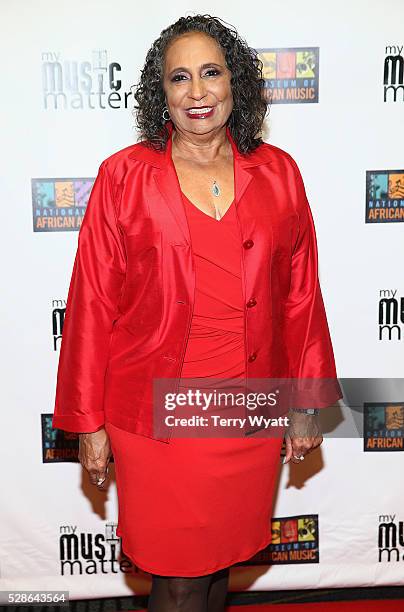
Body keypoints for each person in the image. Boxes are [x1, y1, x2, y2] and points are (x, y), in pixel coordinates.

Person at [52, 14, 342, 612]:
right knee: (179, 577)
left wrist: (307, 404)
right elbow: (91, 302)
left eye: (210, 73)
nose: (197, 91)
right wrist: (88, 420)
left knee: (216, 570)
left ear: (236, 82)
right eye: (179, 78)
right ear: (161, 95)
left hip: (248, 409)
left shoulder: (280, 173)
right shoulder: (123, 177)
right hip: (159, 416)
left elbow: (301, 298)